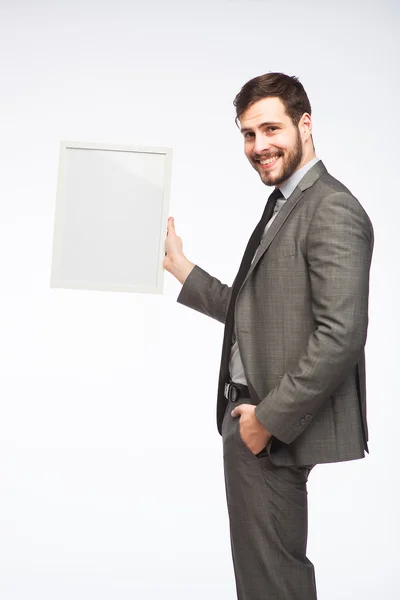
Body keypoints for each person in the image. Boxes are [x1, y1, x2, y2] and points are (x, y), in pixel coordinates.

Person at [163, 72, 374, 600]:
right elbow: (258, 312)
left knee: (272, 587)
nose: (259, 146)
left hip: (272, 431)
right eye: (248, 134)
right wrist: (184, 271)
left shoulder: (331, 208)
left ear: (305, 124)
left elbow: (341, 334)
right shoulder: (285, 201)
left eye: (271, 129)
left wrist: (266, 423)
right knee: (267, 584)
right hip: (252, 426)